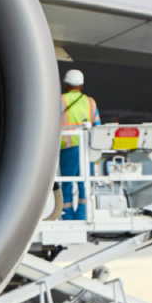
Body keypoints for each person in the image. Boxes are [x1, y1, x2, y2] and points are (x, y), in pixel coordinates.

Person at [59, 68, 100, 220]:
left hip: (68, 148)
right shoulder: (90, 102)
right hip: (87, 149)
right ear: (81, 86)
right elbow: (98, 126)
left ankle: (67, 214)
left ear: (66, 85)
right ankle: (83, 214)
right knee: (85, 182)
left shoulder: (61, 100)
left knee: (66, 183)